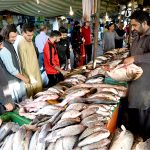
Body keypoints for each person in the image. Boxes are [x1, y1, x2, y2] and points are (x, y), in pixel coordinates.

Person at [123, 10, 150, 140]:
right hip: (134, 85)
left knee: (143, 119)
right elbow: (131, 54)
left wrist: (134, 58)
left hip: (145, 88)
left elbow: (137, 57)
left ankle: (143, 141)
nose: (132, 28)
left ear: (144, 23)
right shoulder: (137, 36)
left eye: (135, 25)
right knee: (134, 117)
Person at [0, 25, 28, 102]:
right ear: (5, 35)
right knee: (16, 103)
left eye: (15, 36)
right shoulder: (4, 49)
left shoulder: (8, 44)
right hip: (11, 82)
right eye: (12, 37)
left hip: (13, 80)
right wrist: (24, 78)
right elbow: (11, 69)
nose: (14, 39)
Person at [18, 23, 42, 97]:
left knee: (40, 96)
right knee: (32, 99)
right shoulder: (21, 44)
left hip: (36, 72)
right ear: (23, 33)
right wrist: (31, 78)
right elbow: (24, 64)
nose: (31, 37)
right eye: (28, 35)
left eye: (32, 35)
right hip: (30, 77)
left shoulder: (30, 41)